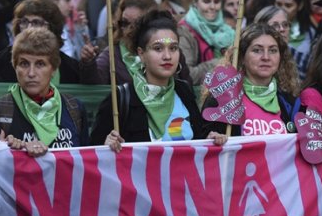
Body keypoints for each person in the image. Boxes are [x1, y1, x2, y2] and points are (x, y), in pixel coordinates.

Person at [90, 10, 226, 149]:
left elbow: (197, 140)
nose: (167, 56)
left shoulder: (184, 91)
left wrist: (209, 139)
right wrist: (105, 145)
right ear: (141, 54)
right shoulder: (121, 99)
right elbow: (92, 153)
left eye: (173, 48)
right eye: (158, 48)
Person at [0, 28, 89, 149]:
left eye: (40, 64)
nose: (31, 73)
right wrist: (3, 153)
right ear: (14, 66)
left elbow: (86, 162)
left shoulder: (74, 109)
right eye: (24, 63)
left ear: (53, 69)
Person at [203, 23, 300, 136]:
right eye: (257, 50)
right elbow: (202, 143)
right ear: (242, 57)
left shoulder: (290, 102)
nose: (266, 57)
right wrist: (212, 139)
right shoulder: (222, 100)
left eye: (272, 50)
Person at [0, 0, 88, 84]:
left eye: (36, 23)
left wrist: (89, 65)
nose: (29, 28)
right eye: (24, 22)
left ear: (52, 28)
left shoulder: (70, 68)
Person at [178, 0, 235, 88]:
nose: (212, 7)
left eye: (217, 1)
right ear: (195, 2)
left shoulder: (228, 30)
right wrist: (222, 61)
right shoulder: (184, 31)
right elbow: (187, 75)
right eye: (206, 1)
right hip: (197, 98)